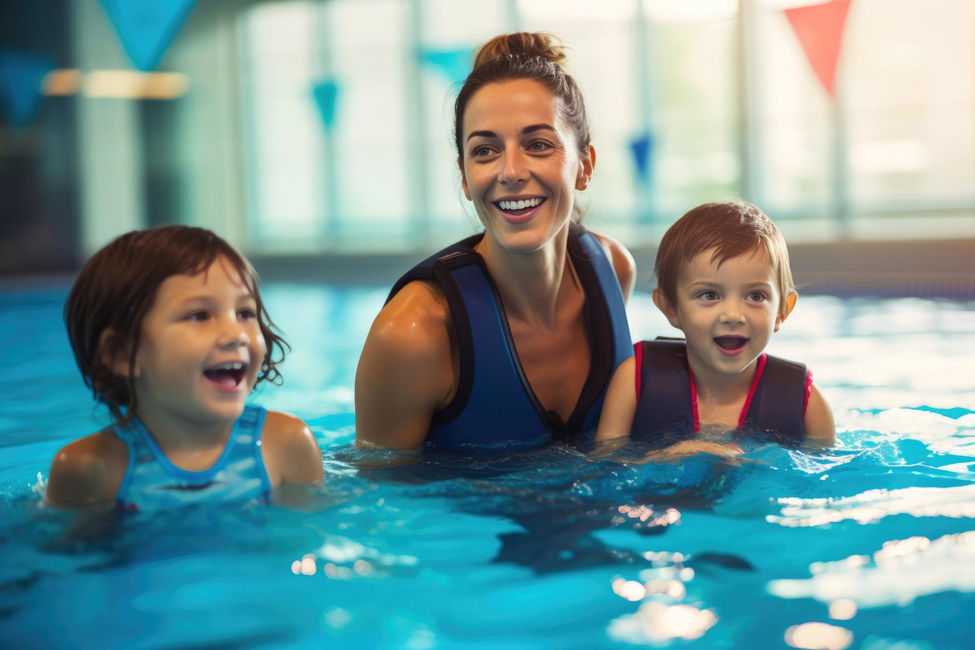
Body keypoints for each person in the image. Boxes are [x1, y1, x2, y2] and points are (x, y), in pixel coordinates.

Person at [355, 33, 636, 451]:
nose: (510, 171)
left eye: (538, 144)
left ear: (584, 166)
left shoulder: (612, 269)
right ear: (465, 178)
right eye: (485, 151)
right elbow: (383, 506)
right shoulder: (414, 333)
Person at [47, 226, 323, 511]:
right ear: (121, 353)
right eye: (200, 315)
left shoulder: (285, 444)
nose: (236, 334)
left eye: (245, 313)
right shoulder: (91, 469)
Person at [595, 200, 835, 457]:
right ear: (669, 307)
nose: (733, 315)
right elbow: (602, 471)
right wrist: (666, 460)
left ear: (782, 311)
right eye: (709, 295)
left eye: (755, 296)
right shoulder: (634, 381)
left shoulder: (807, 404)